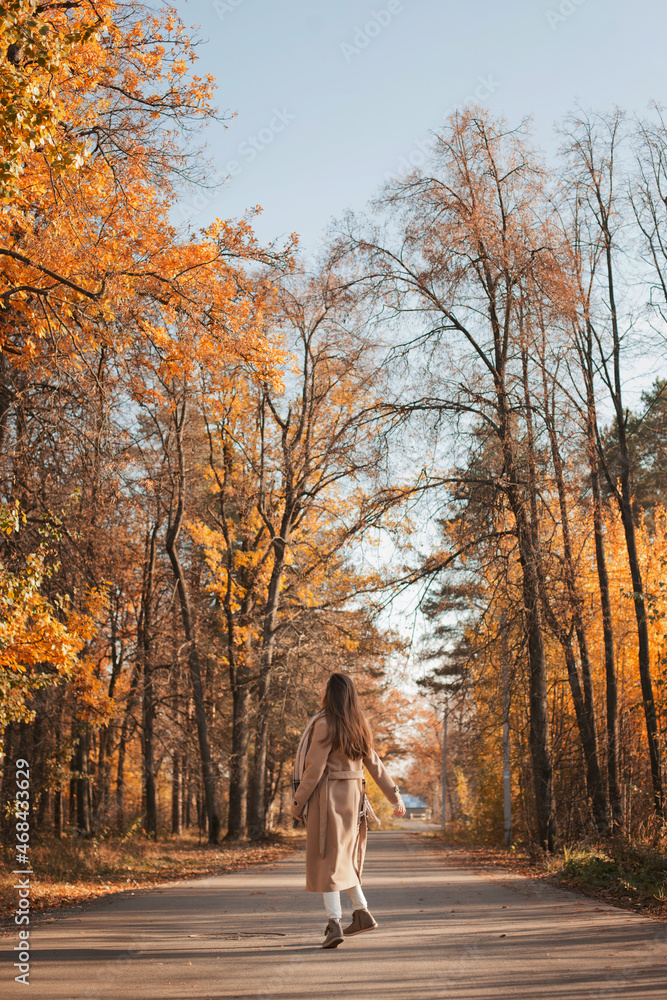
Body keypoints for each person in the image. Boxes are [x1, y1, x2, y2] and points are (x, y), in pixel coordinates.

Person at [290, 672, 406, 949]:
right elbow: (375, 764)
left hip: (327, 799)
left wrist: (297, 802)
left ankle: (334, 924)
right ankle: (361, 912)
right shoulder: (358, 723)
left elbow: (314, 770)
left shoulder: (325, 723)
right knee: (341, 859)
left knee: (326, 861)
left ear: (330, 694)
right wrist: (395, 796)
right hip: (354, 800)